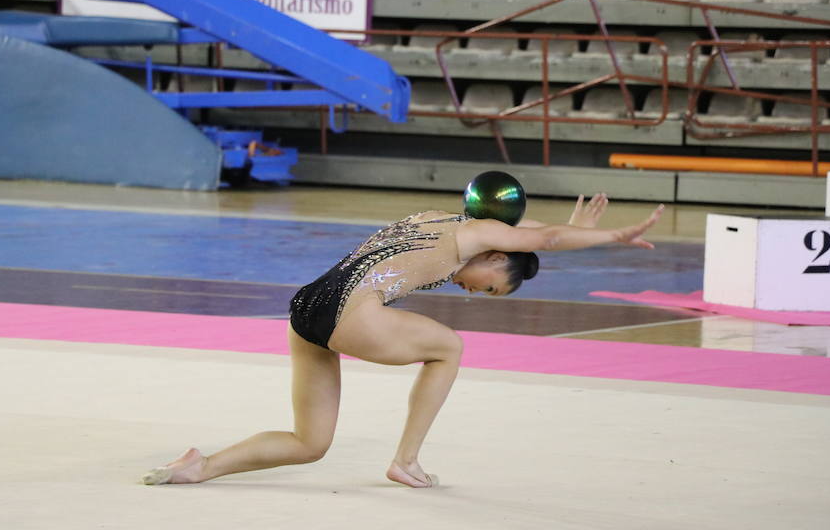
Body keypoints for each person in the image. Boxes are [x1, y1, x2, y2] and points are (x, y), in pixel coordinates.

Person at [141, 194, 662, 488]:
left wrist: (565, 227)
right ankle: (406, 461)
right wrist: (611, 237)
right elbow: (538, 240)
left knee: (310, 444)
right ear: (497, 257)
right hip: (350, 311)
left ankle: (201, 465)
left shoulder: (432, 218)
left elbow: (533, 236)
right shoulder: (474, 237)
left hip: (307, 307)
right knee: (450, 347)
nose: (477, 291)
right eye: (492, 289)